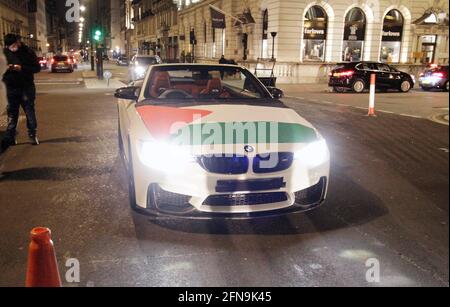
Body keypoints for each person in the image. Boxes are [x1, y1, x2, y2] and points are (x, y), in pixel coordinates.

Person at [2, 34, 41, 149]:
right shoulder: (4, 53)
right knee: (12, 113)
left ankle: (32, 134)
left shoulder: (27, 52)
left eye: (14, 44)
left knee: (29, 111)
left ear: (18, 42)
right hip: (10, 87)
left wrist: (21, 68)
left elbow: (36, 68)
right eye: (9, 45)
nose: (12, 47)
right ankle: (11, 137)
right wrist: (6, 68)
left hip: (26, 87)